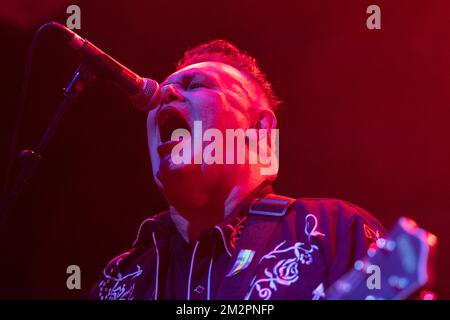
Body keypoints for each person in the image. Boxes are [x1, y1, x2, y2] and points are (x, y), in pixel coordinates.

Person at [89, 39, 386, 300]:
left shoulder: (333, 231)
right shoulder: (119, 278)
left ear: (260, 129)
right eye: (164, 89)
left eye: (195, 85)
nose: (164, 96)